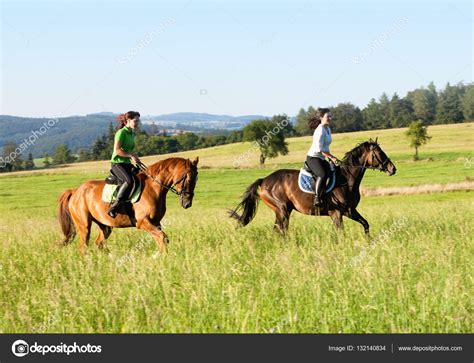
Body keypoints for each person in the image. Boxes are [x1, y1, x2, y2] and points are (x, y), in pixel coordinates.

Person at [108, 111, 141, 218]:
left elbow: (130, 150)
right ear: (128, 121)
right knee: (129, 181)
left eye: (138, 121)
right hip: (117, 164)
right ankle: (114, 206)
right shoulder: (121, 133)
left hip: (127, 163)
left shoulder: (131, 133)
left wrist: (137, 159)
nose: (137, 123)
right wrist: (131, 156)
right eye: (135, 121)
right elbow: (117, 151)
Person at [306, 108, 339, 207]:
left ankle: (327, 195)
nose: (330, 118)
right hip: (313, 158)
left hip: (321, 158)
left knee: (332, 172)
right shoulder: (320, 130)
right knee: (322, 174)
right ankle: (317, 198)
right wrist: (332, 157)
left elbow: (326, 147)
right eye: (327, 116)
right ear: (321, 118)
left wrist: (329, 157)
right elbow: (320, 149)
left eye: (330, 116)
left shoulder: (328, 129)